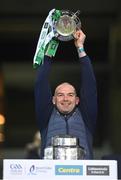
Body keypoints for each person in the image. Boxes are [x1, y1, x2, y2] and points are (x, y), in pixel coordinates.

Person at [34, 29, 97, 159]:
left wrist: (80, 47)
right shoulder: (45, 117)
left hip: (83, 176)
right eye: (60, 95)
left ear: (77, 100)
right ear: (53, 100)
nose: (65, 99)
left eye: (70, 94)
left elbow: (90, 85)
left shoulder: (86, 117)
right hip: (50, 176)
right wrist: (50, 48)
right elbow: (41, 82)